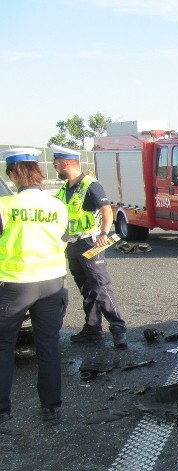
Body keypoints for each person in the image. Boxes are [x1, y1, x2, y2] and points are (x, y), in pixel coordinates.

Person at [0, 148, 69, 423]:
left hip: (16, 284)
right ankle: (51, 407)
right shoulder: (56, 205)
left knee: (4, 344)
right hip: (52, 282)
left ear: (13, 175)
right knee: (48, 344)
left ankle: (3, 409)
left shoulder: (5, 206)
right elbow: (63, 237)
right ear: (38, 173)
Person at [50, 144, 127, 348]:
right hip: (72, 244)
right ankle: (92, 329)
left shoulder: (90, 185)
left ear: (65, 163)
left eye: (56, 163)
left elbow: (106, 209)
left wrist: (104, 233)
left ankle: (118, 329)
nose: (54, 166)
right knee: (86, 288)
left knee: (100, 286)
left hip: (90, 243)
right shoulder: (65, 188)